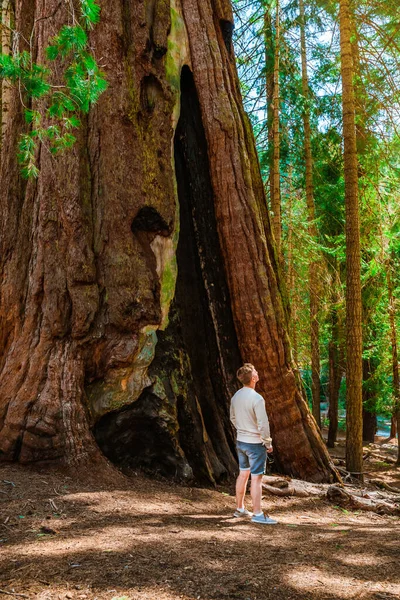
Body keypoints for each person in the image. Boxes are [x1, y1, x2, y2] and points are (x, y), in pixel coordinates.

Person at [230, 363, 277, 525]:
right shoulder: (257, 398)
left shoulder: (236, 396)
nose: (257, 373)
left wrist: (243, 430)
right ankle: (257, 514)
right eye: (256, 372)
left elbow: (233, 418)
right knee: (256, 479)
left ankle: (240, 509)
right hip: (255, 444)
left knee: (243, 474)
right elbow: (263, 424)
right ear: (254, 378)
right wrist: (268, 443)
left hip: (241, 441)